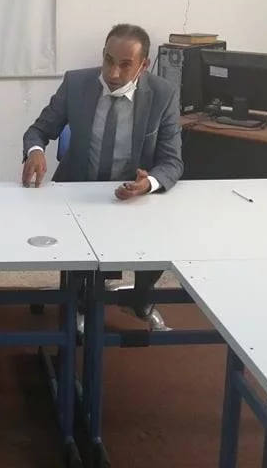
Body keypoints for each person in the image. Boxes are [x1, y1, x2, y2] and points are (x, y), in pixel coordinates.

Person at [21, 23, 183, 328]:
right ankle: (80, 298)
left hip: (133, 200)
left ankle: (140, 296)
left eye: (125, 65)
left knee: (166, 232)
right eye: (108, 60)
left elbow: (172, 162)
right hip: (78, 194)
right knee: (77, 259)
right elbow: (38, 131)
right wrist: (36, 151)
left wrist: (147, 183)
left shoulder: (163, 95)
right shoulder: (76, 84)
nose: (113, 73)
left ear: (144, 65)